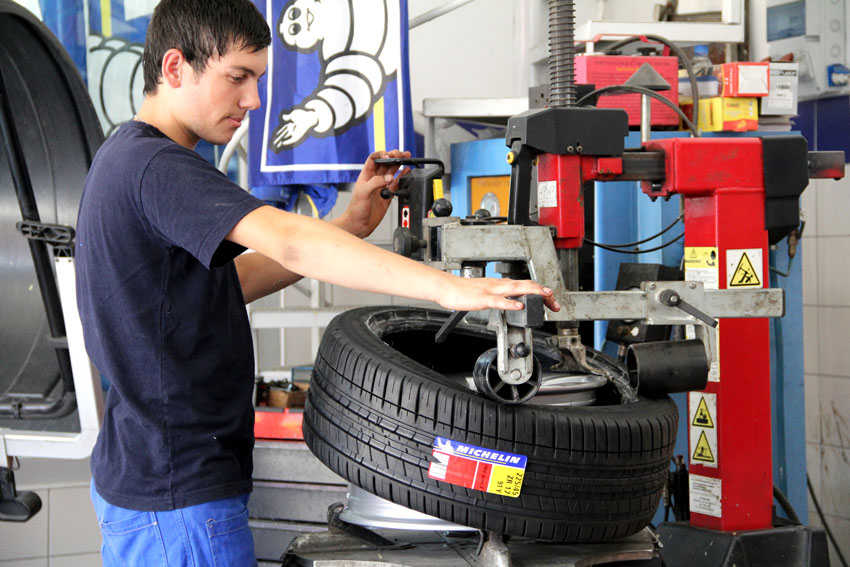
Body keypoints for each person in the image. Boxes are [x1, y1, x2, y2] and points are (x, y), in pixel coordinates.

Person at [75, 0, 559, 565]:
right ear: (176, 67)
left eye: (258, 80)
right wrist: (447, 288)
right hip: (176, 500)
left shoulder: (128, 160)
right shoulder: (157, 166)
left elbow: (227, 283)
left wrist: (347, 226)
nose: (253, 101)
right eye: (238, 77)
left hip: (153, 485)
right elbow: (289, 240)